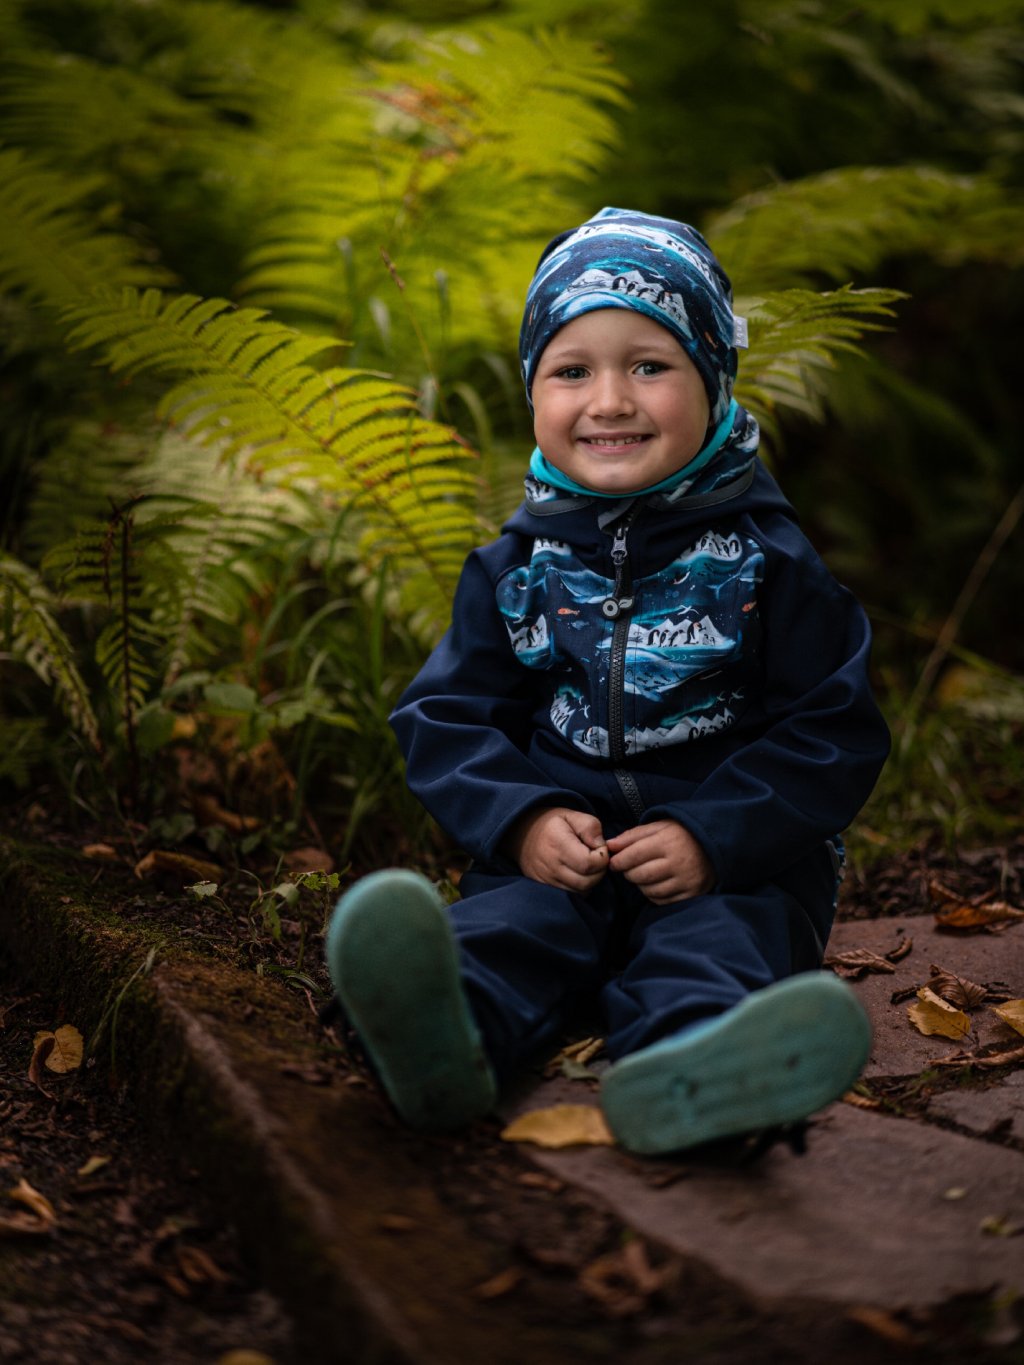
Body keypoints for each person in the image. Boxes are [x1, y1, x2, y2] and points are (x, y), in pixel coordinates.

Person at [325, 207, 891, 1154]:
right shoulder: (516, 566)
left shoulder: (768, 559)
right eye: (572, 371)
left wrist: (715, 836)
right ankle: (441, 1037)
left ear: (713, 380)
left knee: (715, 949)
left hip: (729, 869)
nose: (611, 400)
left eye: (650, 365)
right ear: (533, 392)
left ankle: (702, 1075)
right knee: (509, 929)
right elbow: (447, 714)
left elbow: (833, 728)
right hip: (562, 856)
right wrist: (523, 819)